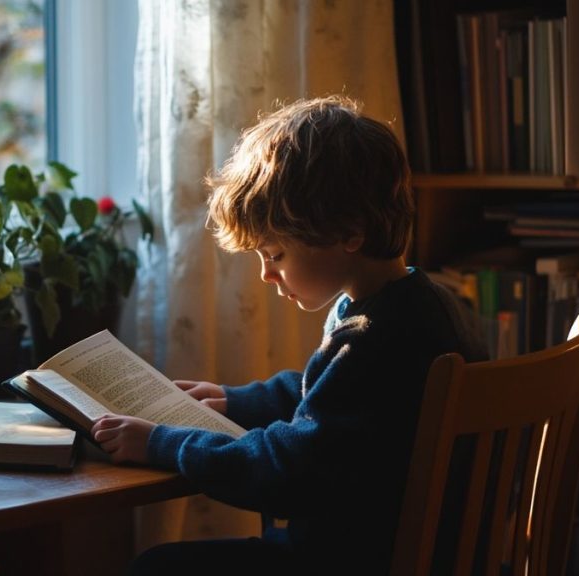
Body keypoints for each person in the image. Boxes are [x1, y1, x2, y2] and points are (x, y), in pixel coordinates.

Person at [90, 95, 487, 574]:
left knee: (156, 567)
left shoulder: (376, 338)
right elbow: (333, 401)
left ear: (350, 232)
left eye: (275, 255)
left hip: (345, 560)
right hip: (411, 555)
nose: (266, 274)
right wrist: (234, 401)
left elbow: (283, 470)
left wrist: (163, 444)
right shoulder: (428, 306)